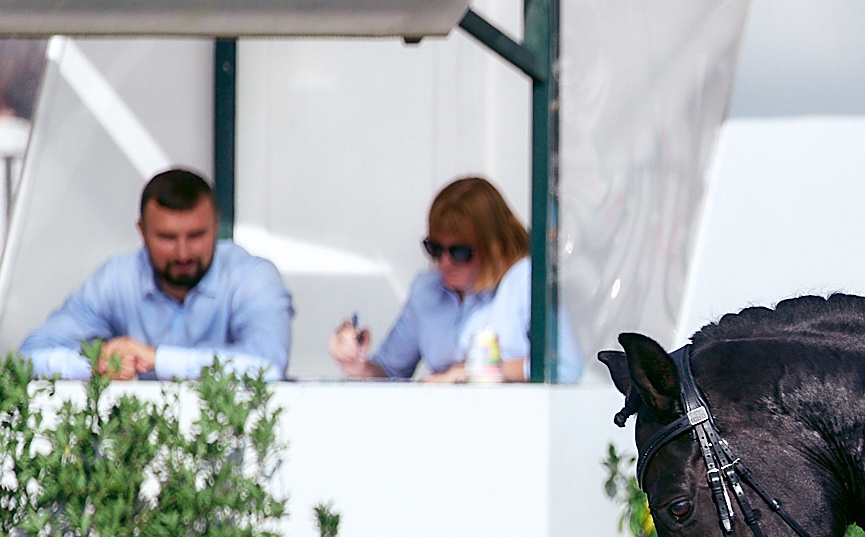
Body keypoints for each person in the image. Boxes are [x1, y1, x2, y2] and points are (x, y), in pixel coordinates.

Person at [21, 167, 291, 380]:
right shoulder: (117, 280)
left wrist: (155, 359)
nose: (183, 253)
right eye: (167, 238)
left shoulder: (251, 277)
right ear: (142, 231)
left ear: (216, 225)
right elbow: (29, 356)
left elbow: (267, 365)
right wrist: (98, 363)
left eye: (196, 236)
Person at [330, 176, 574, 382]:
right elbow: (391, 370)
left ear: (494, 246)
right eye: (435, 248)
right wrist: (355, 363)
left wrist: (472, 372)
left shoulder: (523, 281)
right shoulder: (426, 291)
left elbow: (565, 366)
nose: (444, 262)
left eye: (460, 252)